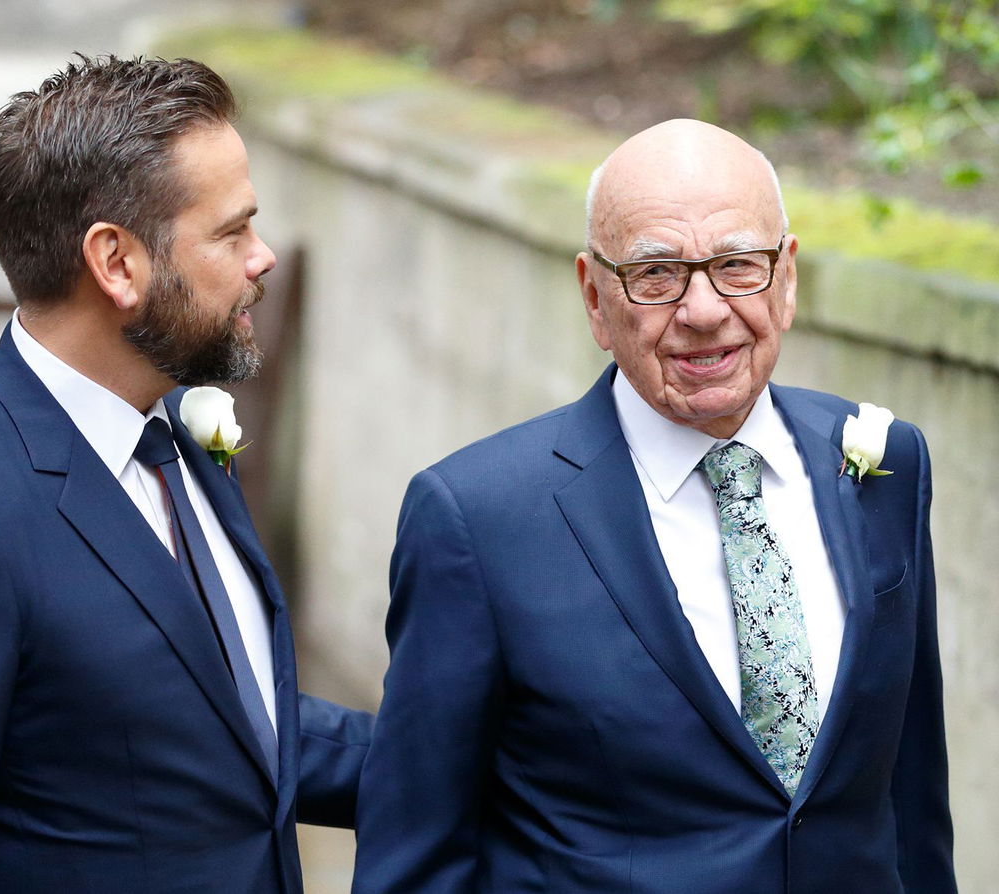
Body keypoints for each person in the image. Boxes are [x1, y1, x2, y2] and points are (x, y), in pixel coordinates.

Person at [352, 119, 954, 893]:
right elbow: (419, 856)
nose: (704, 310)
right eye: (657, 275)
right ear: (595, 298)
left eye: (739, 265)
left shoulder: (884, 464)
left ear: (788, 277)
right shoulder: (477, 519)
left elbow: (912, 789)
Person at [0, 55, 371, 893]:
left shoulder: (177, 431)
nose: (261, 258)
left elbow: (225, 714)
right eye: (230, 232)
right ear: (116, 263)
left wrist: (499, 747)